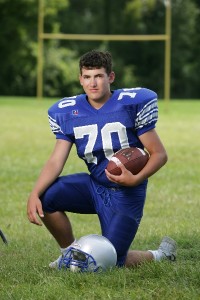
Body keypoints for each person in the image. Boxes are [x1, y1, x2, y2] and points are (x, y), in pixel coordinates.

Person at [27, 50, 176, 269]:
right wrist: (34, 193)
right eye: (87, 77)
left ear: (111, 77)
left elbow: (159, 154)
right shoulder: (69, 111)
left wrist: (136, 179)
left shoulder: (130, 104)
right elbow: (55, 161)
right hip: (94, 185)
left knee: (110, 262)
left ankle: (160, 254)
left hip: (127, 193)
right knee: (47, 197)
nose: (92, 83)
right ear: (80, 79)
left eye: (98, 76)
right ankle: (68, 253)